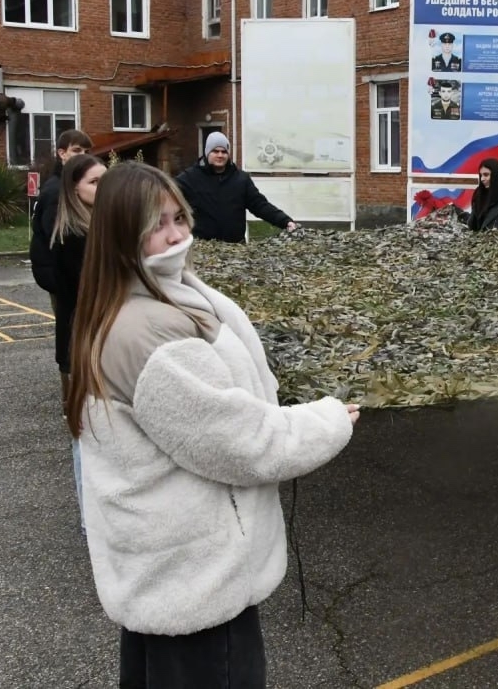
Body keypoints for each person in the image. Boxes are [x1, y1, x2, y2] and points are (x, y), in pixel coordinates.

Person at [64, 162, 360, 687]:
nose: (175, 235)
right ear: (120, 235)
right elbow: (239, 443)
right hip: (195, 579)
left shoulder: (149, 296)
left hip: (169, 572)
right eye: (156, 225)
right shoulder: (149, 334)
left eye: (179, 217)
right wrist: (328, 420)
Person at [50, 153, 107, 530]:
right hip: (85, 343)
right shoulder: (73, 236)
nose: (103, 188)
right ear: (74, 189)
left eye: (106, 180)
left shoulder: (99, 228)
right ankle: (91, 522)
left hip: (99, 340)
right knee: (86, 434)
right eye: (94, 182)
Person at [175, 132, 297, 243]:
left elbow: (260, 205)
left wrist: (285, 221)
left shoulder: (241, 179)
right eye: (215, 151)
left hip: (235, 248)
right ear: (207, 153)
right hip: (203, 248)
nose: (220, 155)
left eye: (224, 152)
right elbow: (168, 196)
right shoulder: (190, 178)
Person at [30, 129, 94, 307]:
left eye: (87, 151)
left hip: (71, 273)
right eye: (77, 150)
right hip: (62, 275)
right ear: (62, 153)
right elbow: (59, 238)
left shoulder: (73, 184)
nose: (83, 155)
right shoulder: (56, 191)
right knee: (71, 319)